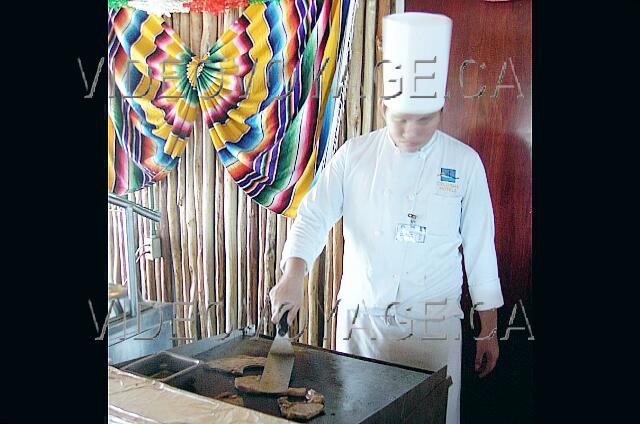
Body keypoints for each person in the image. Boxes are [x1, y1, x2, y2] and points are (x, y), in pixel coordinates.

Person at [269, 12, 503, 424]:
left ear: (443, 108)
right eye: (401, 120)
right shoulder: (353, 157)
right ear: (382, 107)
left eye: (425, 119)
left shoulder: (465, 164)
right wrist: (294, 273)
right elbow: (312, 218)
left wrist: (488, 328)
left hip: (433, 333)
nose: (413, 130)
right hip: (363, 329)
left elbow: (482, 251)